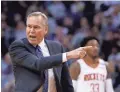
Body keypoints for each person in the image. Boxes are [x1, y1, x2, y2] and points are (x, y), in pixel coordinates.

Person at [9, 12, 92, 92]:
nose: (31, 31)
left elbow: (65, 81)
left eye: (36, 27)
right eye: (29, 26)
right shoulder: (18, 46)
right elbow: (37, 64)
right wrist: (68, 55)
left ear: (45, 30)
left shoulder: (57, 47)